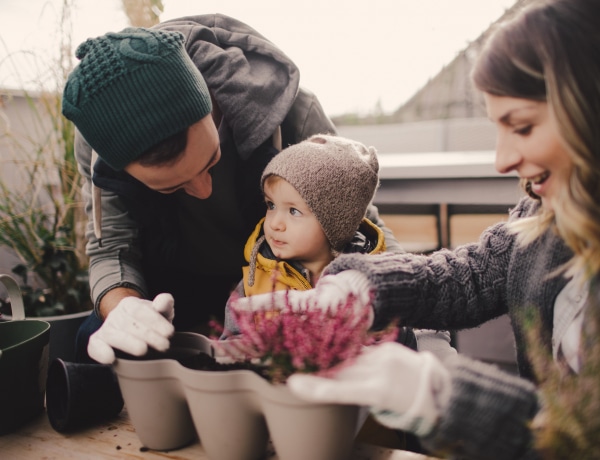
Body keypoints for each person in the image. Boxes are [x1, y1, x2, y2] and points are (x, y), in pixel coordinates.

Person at [232, 0, 600, 458]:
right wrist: (362, 285)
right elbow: (468, 277)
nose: (502, 160)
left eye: (521, 127)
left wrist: (450, 399)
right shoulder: (545, 214)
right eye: (497, 130)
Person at [60, 16, 402, 364]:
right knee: (94, 343)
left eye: (212, 160)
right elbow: (111, 246)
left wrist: (410, 295)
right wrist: (124, 307)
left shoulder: (294, 112)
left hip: (283, 280)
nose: (204, 191)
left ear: (208, 99)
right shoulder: (98, 144)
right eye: (173, 187)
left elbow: (361, 223)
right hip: (171, 288)